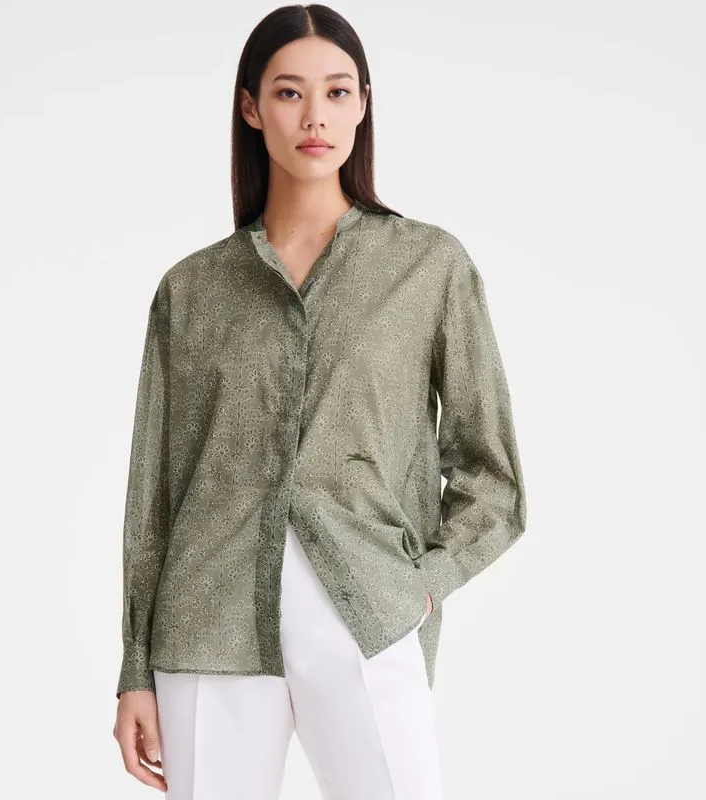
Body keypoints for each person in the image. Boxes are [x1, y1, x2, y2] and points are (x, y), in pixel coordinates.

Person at [112, 4, 527, 799]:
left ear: (363, 104)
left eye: (337, 92)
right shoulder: (191, 290)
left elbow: (493, 477)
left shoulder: (428, 267)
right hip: (207, 623)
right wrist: (135, 668)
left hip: (367, 612)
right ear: (251, 107)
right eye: (289, 92)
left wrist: (422, 584)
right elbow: (153, 498)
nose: (315, 117)